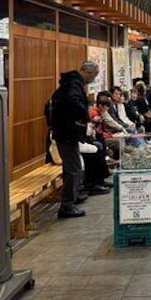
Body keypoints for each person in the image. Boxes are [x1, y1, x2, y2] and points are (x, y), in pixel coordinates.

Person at [49, 60, 99, 218]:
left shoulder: (71, 83)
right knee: (74, 169)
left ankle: (73, 197)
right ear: (87, 71)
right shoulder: (73, 85)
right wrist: (84, 114)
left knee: (71, 167)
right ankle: (67, 206)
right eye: (93, 76)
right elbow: (73, 103)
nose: (92, 80)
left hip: (66, 131)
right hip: (66, 132)